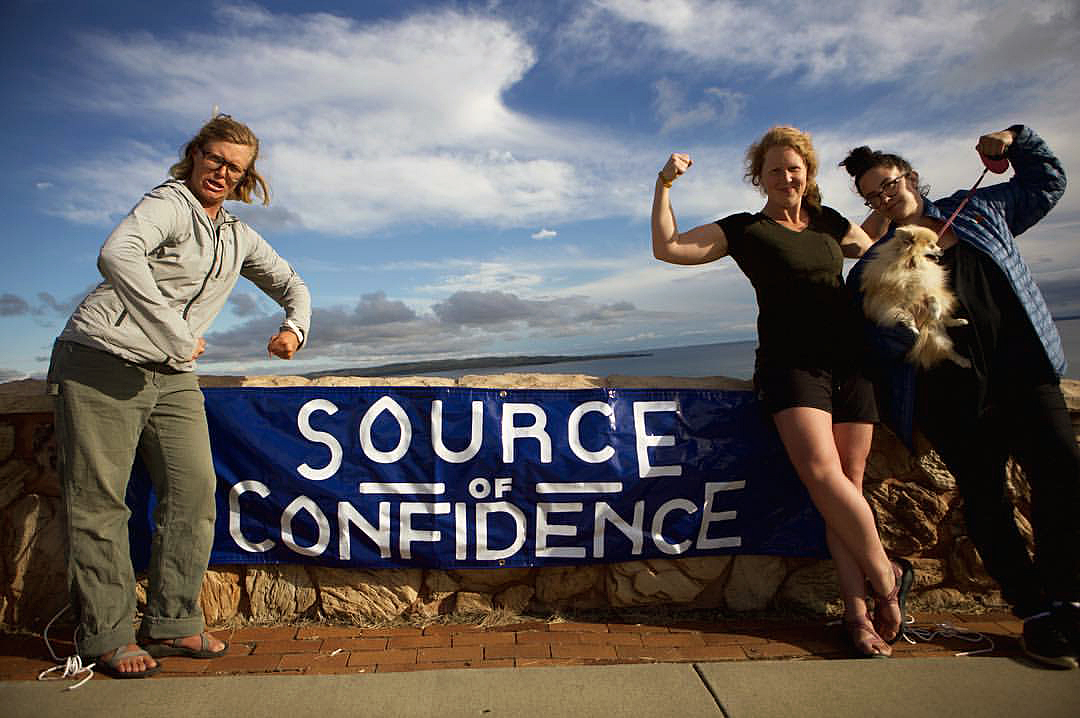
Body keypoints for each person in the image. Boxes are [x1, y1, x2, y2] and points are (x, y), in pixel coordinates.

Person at [47, 114, 311, 678]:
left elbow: (293, 283)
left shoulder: (237, 235)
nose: (222, 172)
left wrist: (294, 327)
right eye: (214, 159)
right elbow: (117, 254)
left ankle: (172, 622)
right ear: (195, 155)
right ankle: (105, 636)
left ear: (247, 177)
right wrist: (173, 333)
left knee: (194, 495)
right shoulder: (168, 204)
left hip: (170, 375)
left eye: (235, 167)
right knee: (99, 505)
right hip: (100, 360)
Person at [652, 126, 913, 658]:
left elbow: (874, 252)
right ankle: (887, 581)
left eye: (794, 167)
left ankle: (857, 616)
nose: (785, 176)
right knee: (823, 477)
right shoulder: (746, 229)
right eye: (774, 169)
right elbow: (669, 249)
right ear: (760, 177)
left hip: (851, 361)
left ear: (807, 173)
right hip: (791, 365)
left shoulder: (829, 224)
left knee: (847, 487)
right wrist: (664, 186)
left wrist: (887, 202)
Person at [842, 125, 1080, 669]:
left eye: (890, 183)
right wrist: (904, 327)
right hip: (951, 398)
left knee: (1062, 474)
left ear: (911, 178)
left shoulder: (978, 211)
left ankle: (1068, 598)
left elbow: (1047, 182)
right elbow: (872, 336)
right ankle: (1035, 612)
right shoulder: (875, 263)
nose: (885, 196)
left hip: (1024, 375)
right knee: (986, 500)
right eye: (873, 195)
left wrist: (1015, 139)